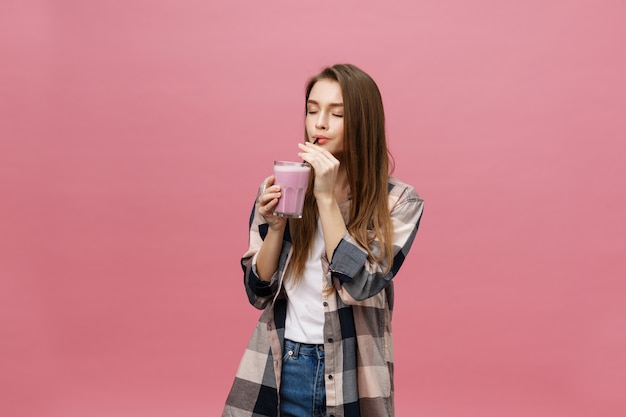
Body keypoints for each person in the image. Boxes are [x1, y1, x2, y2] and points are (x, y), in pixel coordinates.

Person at [222, 63, 424, 417]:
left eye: (337, 113)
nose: (319, 123)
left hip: (353, 372)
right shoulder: (283, 188)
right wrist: (276, 227)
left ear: (363, 121)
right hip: (283, 366)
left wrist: (327, 198)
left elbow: (362, 284)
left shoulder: (398, 202)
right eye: (312, 110)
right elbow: (258, 291)